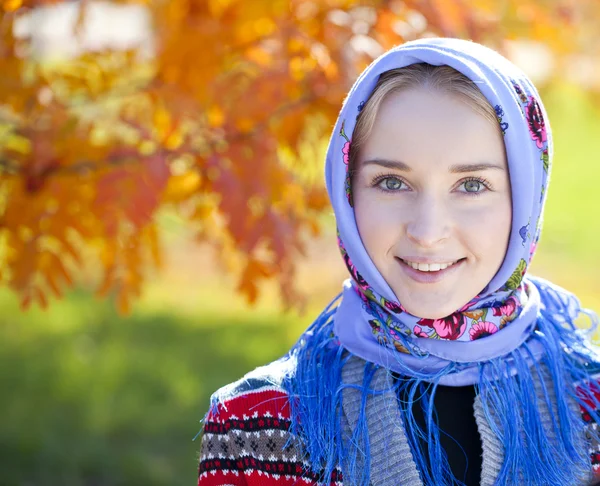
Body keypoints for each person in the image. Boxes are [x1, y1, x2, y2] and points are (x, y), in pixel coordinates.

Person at [196, 38, 600, 486]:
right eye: (391, 182)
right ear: (348, 192)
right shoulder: (258, 427)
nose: (427, 232)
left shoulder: (592, 410)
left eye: (471, 185)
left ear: (525, 198)